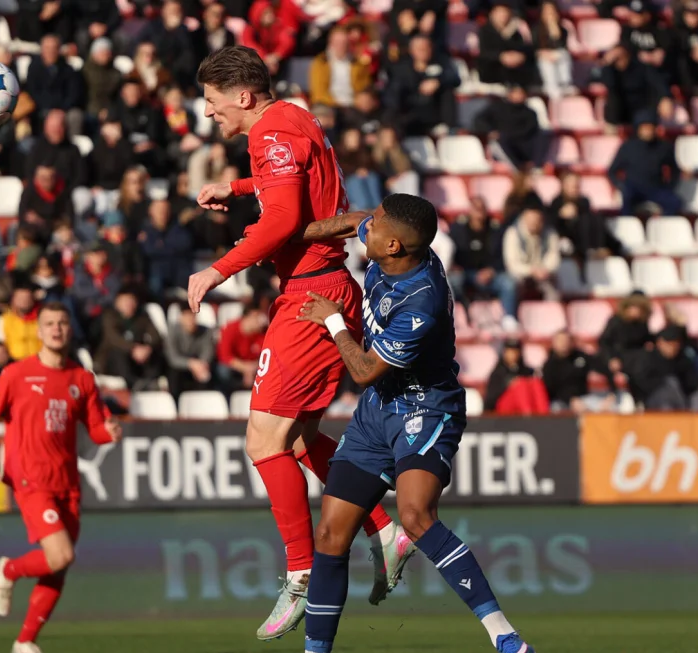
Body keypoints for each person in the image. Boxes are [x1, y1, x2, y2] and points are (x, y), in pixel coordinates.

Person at [186, 46, 401, 639]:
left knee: (262, 439)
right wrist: (236, 187)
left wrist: (216, 270)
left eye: (212, 102)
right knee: (301, 438)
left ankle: (302, 573)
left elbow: (282, 220)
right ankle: (385, 526)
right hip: (325, 287)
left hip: (309, 297)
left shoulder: (270, 131)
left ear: (243, 96)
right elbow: (292, 187)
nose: (209, 114)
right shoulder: (297, 116)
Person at [295, 194, 535, 653]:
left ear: (394, 247)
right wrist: (284, 234)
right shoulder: (391, 242)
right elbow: (350, 222)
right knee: (329, 533)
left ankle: (504, 636)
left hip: (425, 409)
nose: (369, 224)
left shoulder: (420, 303)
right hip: (375, 413)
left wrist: (333, 323)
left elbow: (363, 369)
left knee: (415, 516)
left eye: (378, 223)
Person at [0, 302, 122, 653]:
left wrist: (110, 432)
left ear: (69, 330)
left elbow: (96, 427)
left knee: (58, 567)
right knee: (61, 555)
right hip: (31, 479)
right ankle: (9, 570)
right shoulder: (17, 374)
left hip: (67, 483)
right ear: (39, 332)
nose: (56, 329)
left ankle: (24, 642)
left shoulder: (81, 378)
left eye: (62, 323)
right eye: (49, 324)